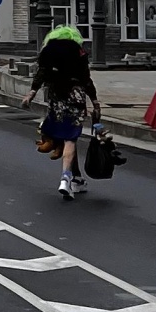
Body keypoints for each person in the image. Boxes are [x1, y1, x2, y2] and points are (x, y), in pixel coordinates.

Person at [24, 23, 100, 198]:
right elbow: (86, 79)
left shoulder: (48, 51)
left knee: (64, 136)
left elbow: (41, 73)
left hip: (57, 98)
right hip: (76, 97)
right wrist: (95, 101)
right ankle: (66, 177)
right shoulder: (78, 52)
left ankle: (76, 178)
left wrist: (31, 93)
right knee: (70, 139)